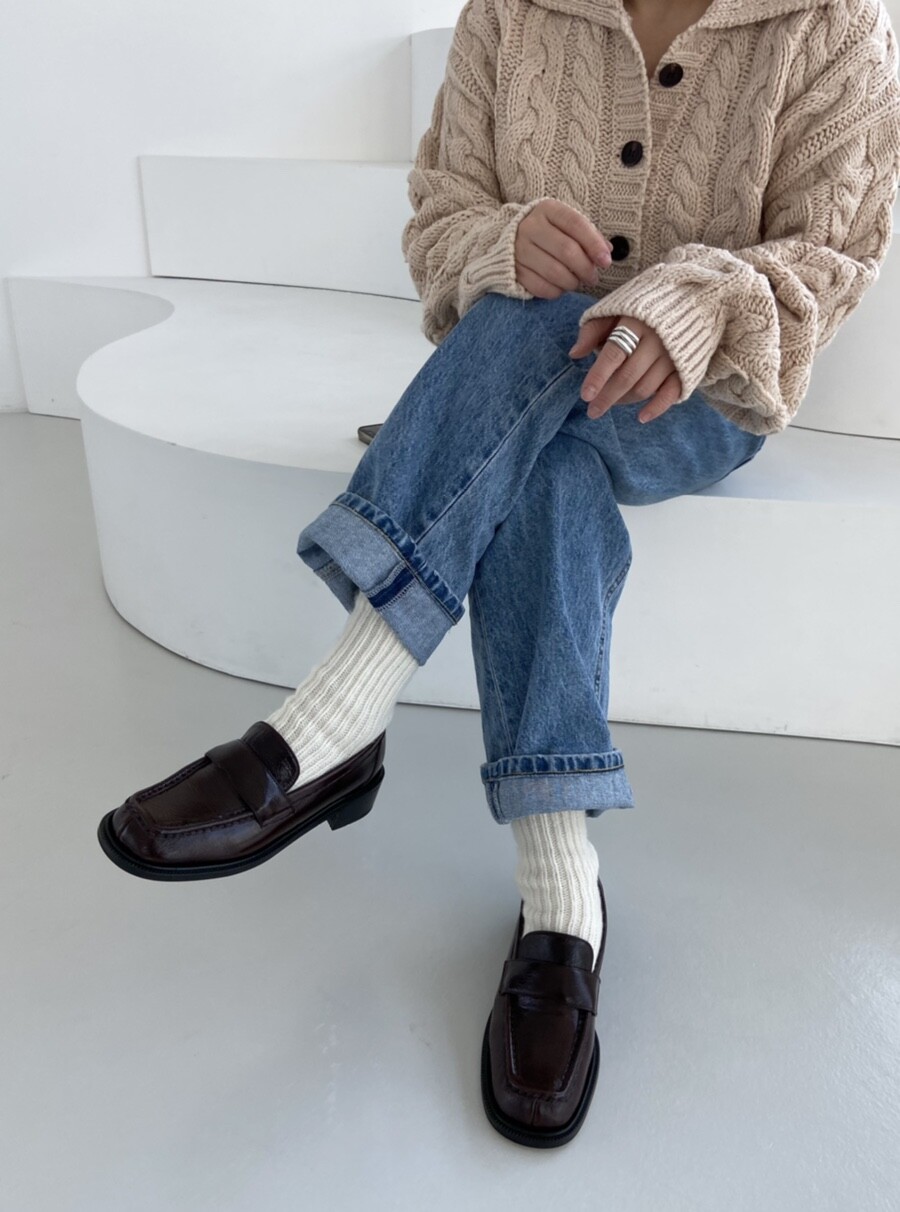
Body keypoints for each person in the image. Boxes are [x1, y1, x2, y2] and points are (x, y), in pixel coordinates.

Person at [96, 0, 900, 1149]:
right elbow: (442, 210)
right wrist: (495, 244)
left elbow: (833, 256)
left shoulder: (835, 24)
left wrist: (690, 303)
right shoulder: (510, 10)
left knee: (538, 351)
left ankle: (330, 725)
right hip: (523, 372)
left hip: (697, 398)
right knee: (546, 430)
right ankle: (561, 898)